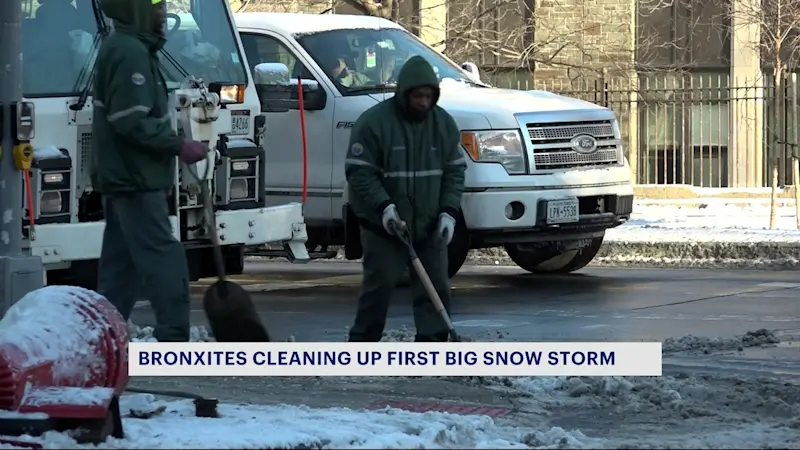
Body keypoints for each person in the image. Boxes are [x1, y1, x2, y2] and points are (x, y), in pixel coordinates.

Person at [91, 0, 207, 342]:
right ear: (136, 9)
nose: (164, 14)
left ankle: (102, 338)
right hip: (135, 177)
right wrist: (178, 146)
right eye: (156, 6)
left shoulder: (129, 48)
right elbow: (131, 120)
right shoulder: (130, 53)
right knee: (162, 255)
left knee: (120, 265)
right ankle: (174, 335)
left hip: (128, 176)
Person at [345, 55, 467, 342]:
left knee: (434, 287)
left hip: (429, 223)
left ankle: (432, 344)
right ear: (404, 93)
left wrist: (449, 211)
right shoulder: (374, 123)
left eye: (428, 96)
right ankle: (361, 345)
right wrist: (384, 207)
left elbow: (455, 171)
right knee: (379, 288)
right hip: (384, 226)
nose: (423, 102)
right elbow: (360, 173)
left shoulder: (443, 125)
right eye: (417, 96)